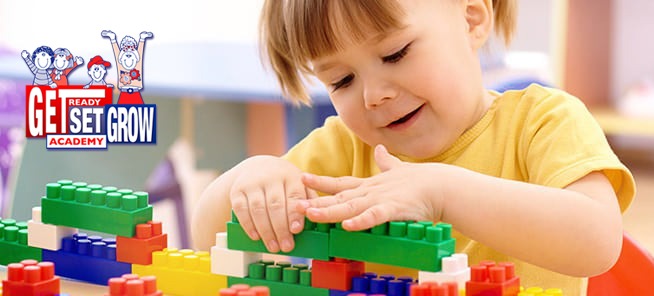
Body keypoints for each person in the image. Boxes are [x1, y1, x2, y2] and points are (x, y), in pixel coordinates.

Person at [192, 1, 635, 294]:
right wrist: (251, 178)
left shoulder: (543, 121)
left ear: (471, 19)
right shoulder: (343, 148)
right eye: (341, 81)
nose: (373, 95)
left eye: (396, 53)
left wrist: (443, 192)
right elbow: (206, 238)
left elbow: (597, 239)